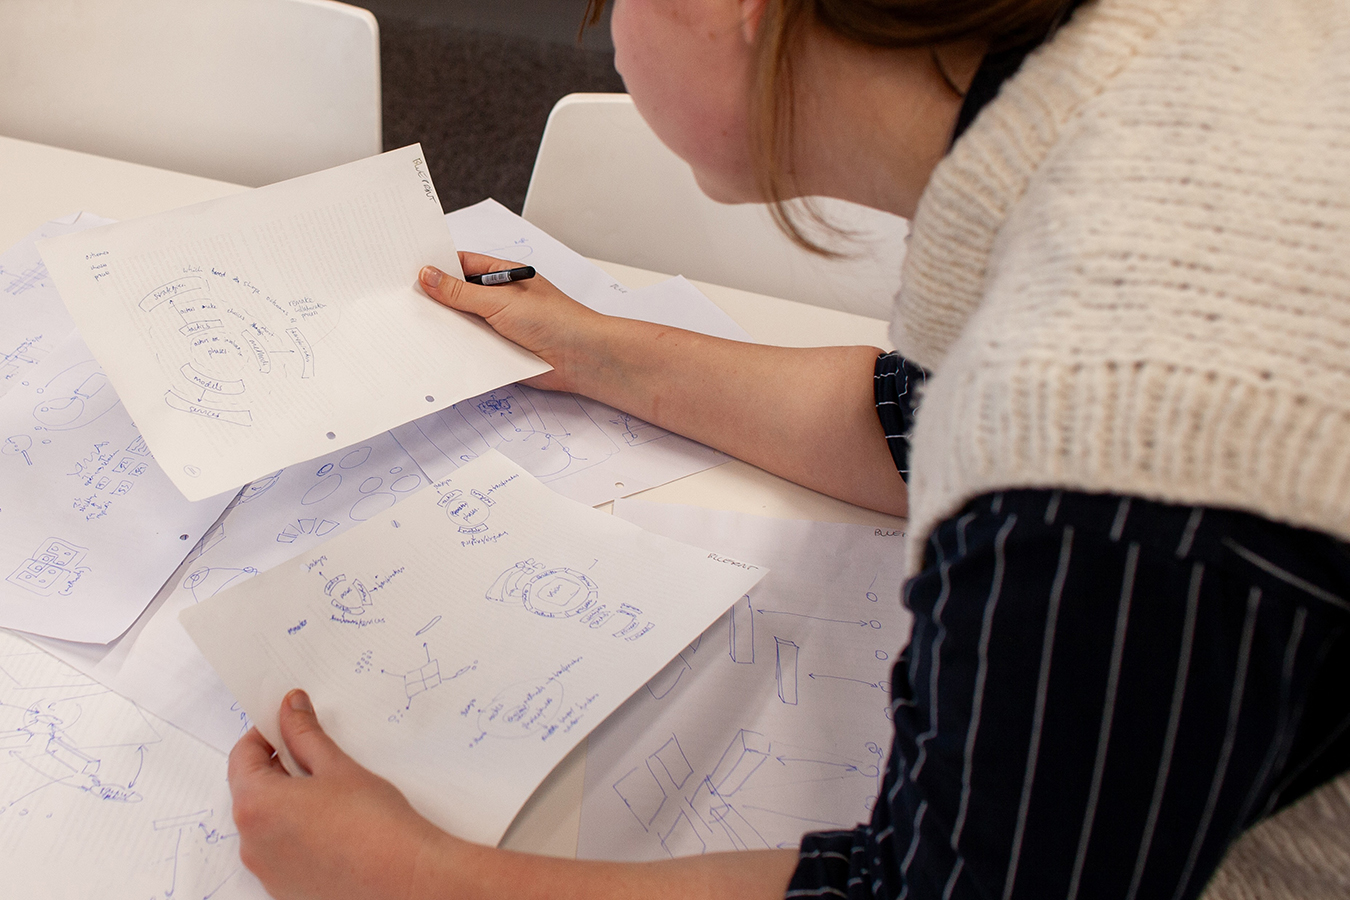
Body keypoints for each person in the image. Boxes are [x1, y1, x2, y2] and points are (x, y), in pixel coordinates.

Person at [226, 0, 1350, 897]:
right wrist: (593, 350)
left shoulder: (1112, 435)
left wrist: (426, 884)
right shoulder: (1148, 81)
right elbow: (922, 415)